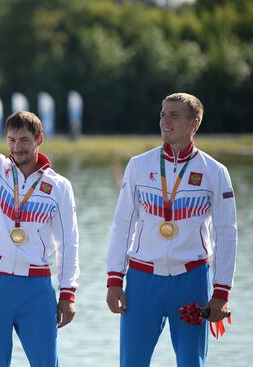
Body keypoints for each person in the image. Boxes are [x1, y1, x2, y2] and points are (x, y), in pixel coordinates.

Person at [0, 56, 80, 366]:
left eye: (24, 140)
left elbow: (69, 243)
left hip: (36, 287)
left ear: (39, 140)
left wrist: (68, 292)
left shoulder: (58, 186)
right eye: (11, 139)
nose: (17, 147)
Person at [105, 93, 237, 367]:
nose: (165, 120)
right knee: (131, 363)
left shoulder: (215, 172)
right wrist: (114, 279)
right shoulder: (139, 165)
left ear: (194, 123)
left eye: (174, 115)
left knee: (191, 363)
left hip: (191, 280)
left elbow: (226, 234)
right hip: (142, 280)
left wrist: (221, 292)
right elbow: (122, 226)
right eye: (163, 114)